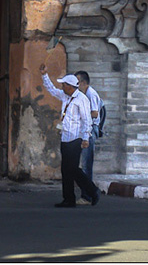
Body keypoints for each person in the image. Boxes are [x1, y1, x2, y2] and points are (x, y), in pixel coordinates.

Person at [40, 64, 101, 207]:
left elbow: (86, 120)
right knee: (66, 169)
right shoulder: (65, 96)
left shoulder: (82, 99)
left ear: (70, 86)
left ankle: (92, 191)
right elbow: (51, 90)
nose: (62, 87)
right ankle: (69, 199)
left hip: (76, 138)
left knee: (72, 168)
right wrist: (44, 75)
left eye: (64, 85)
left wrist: (85, 138)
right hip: (65, 137)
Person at [75, 70, 103, 204]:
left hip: (90, 130)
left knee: (86, 164)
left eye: (77, 82)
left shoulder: (91, 94)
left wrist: (79, 114)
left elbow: (95, 113)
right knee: (82, 162)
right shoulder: (84, 94)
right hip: (85, 130)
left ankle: (87, 196)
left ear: (83, 82)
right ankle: (88, 193)